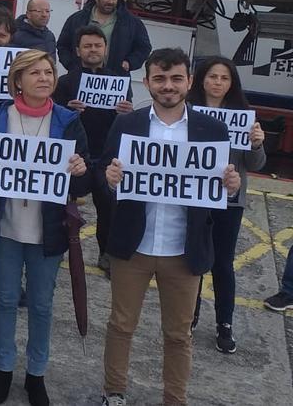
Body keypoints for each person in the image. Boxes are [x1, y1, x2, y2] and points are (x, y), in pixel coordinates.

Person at [98, 48, 241, 406]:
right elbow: (103, 173)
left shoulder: (213, 129)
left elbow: (221, 183)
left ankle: (174, 400)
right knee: (120, 326)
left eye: (177, 78)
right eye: (160, 79)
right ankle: (114, 393)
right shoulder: (127, 124)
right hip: (134, 247)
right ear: (147, 83)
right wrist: (110, 178)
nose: (168, 86)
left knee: (178, 335)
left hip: (184, 250)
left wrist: (230, 185)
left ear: (189, 82)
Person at [0, 49, 90, 406]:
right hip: (5, 227)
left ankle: (36, 373)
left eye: (49, 72)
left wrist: (81, 170)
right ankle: (3, 367)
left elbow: (84, 179)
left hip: (47, 229)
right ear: (18, 80)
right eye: (35, 72)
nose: (45, 78)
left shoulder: (68, 121)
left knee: (41, 304)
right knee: (4, 300)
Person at [187, 56, 266, 353]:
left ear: (232, 84)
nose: (217, 83)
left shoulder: (243, 116)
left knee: (223, 263)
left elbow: (256, 164)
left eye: (224, 78)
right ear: (201, 80)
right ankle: (189, 316)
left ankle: (225, 323)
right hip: (193, 196)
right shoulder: (188, 112)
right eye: (212, 77)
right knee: (193, 261)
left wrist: (257, 143)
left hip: (230, 202)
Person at [53, 26, 133, 275]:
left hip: (107, 154)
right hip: (74, 155)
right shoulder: (65, 82)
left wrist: (126, 113)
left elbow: (127, 119)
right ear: (78, 51)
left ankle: (106, 253)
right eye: (87, 46)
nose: (93, 50)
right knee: (61, 205)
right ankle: (56, 250)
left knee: (108, 206)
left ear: (105, 49)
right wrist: (67, 109)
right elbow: (53, 113)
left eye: (97, 45)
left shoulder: (120, 82)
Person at [57, 0, 152, 73]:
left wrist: (129, 63)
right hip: (80, 78)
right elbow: (63, 45)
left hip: (116, 80)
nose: (110, 1)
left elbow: (144, 48)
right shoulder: (76, 19)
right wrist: (71, 65)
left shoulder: (132, 22)